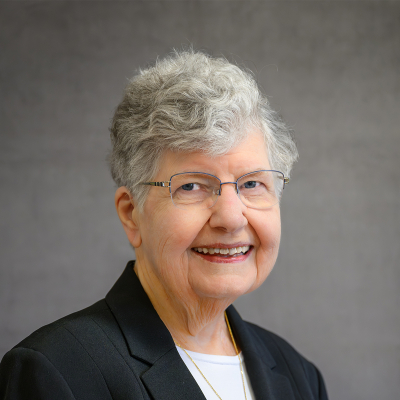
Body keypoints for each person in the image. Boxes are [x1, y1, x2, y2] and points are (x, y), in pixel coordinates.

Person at [0, 50, 328, 400]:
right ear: (131, 213)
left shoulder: (301, 377)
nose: (231, 218)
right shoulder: (56, 373)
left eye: (251, 184)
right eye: (191, 186)